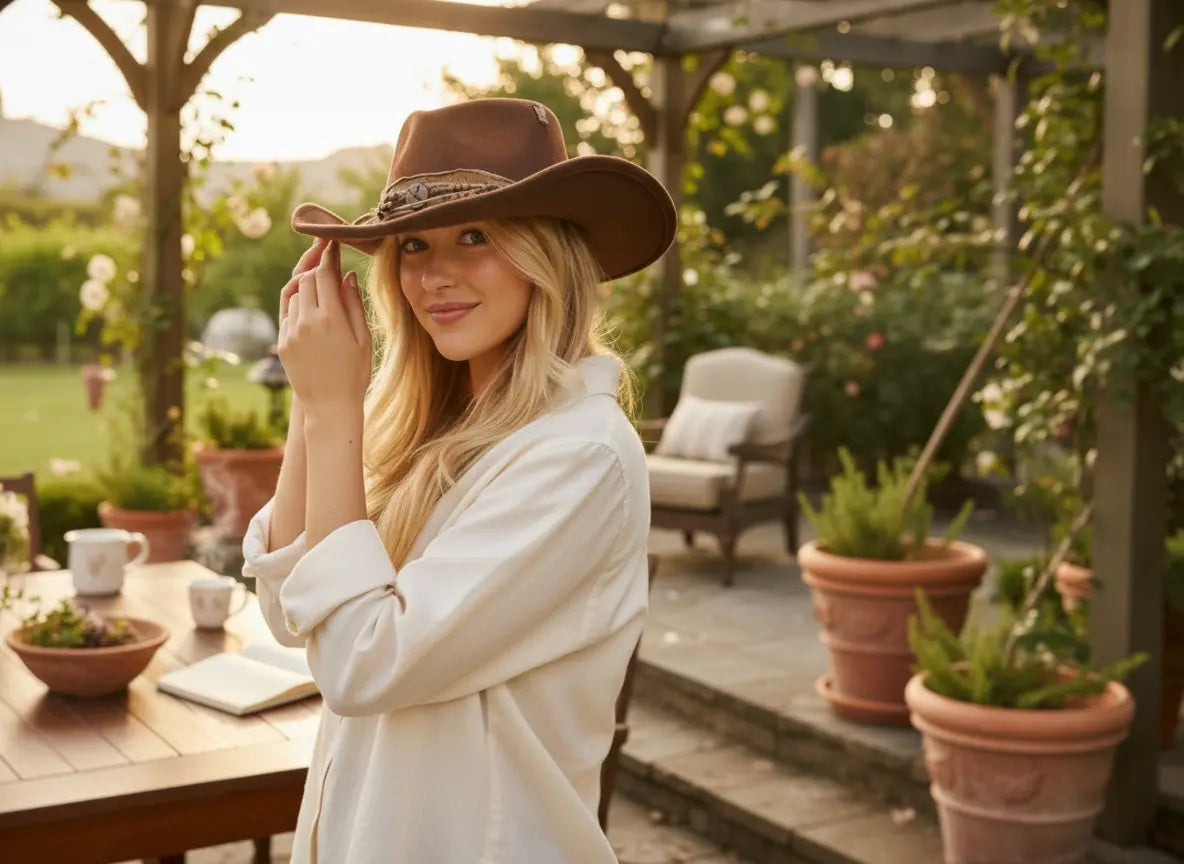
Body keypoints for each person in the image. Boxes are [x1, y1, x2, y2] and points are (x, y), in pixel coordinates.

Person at [241, 97, 676, 863]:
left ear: (547, 251)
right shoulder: (430, 429)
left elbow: (364, 660)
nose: (435, 275)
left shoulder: (579, 457)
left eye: (475, 236)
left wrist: (334, 403)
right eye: (412, 245)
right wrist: (315, 410)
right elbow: (288, 608)